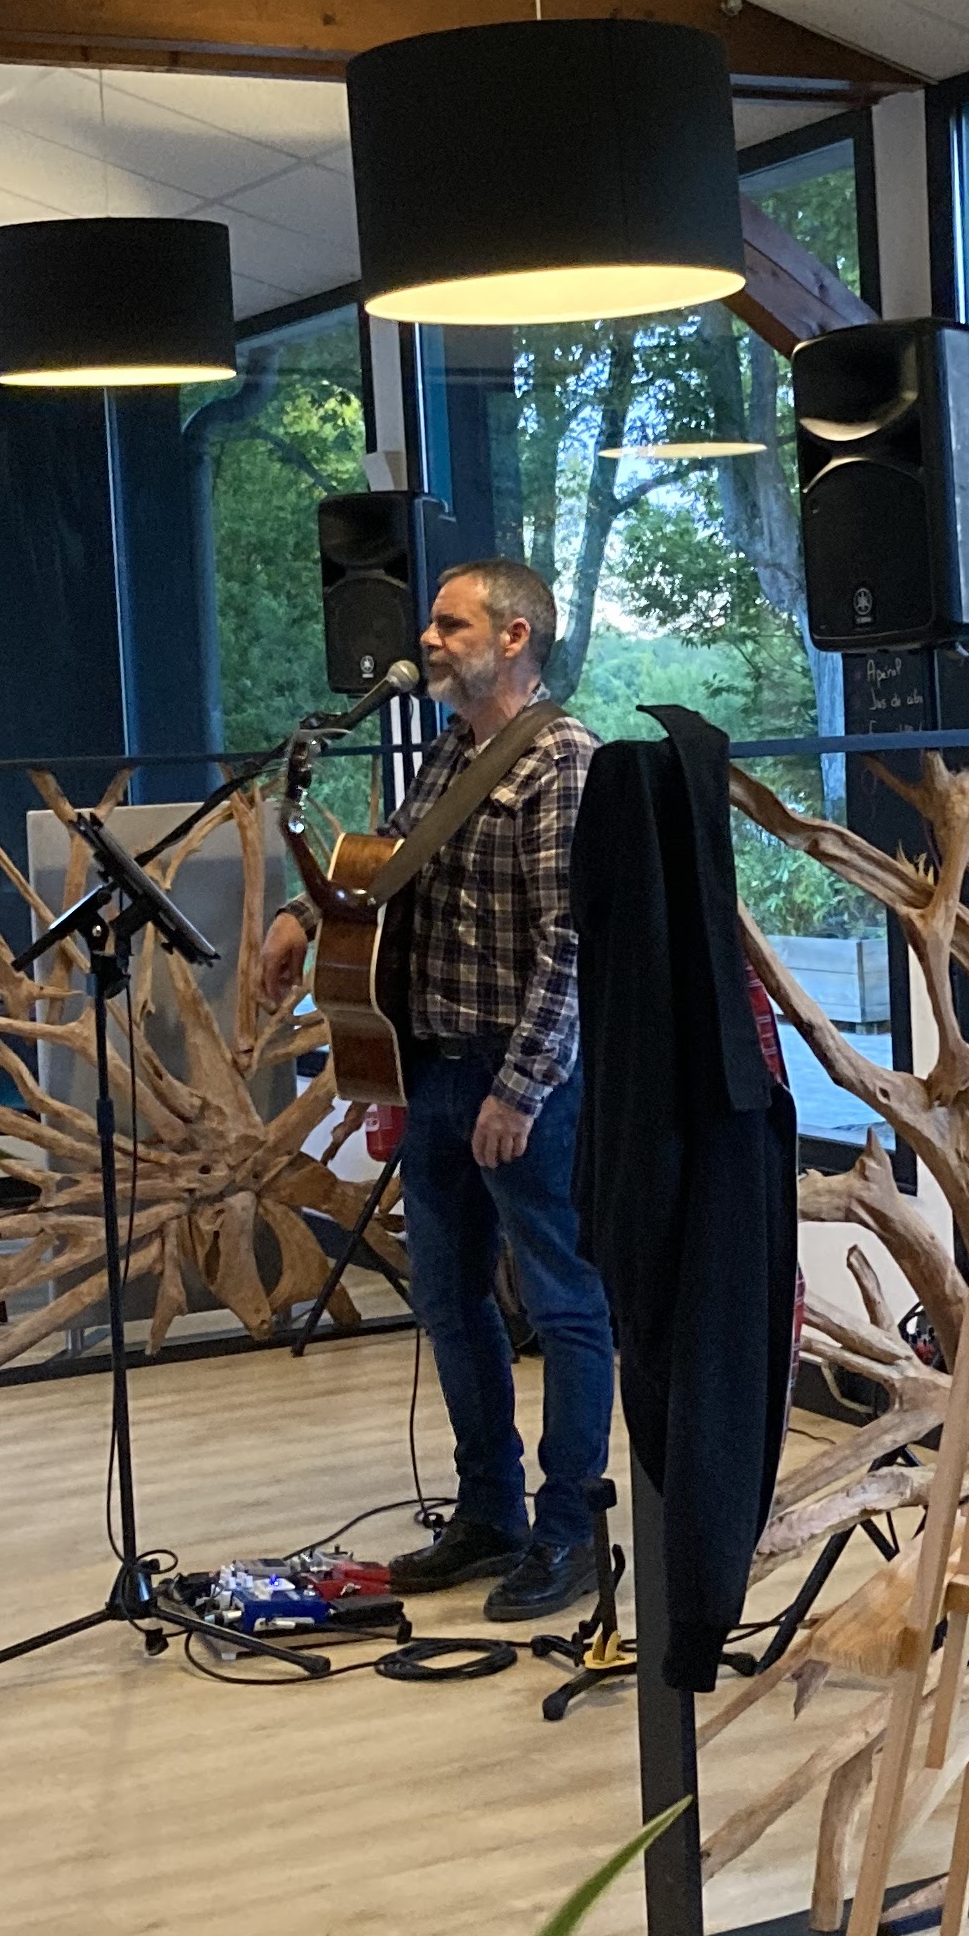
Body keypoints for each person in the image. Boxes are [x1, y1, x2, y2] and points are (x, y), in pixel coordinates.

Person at [261, 557, 614, 1623]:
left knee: (562, 1304)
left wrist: (521, 1089)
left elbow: (572, 942)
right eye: (432, 625)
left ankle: (570, 1530)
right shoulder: (453, 750)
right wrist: (304, 914)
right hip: (438, 1071)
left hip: (524, 1084)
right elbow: (388, 867)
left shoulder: (562, 762)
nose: (427, 640)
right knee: (449, 1301)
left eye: (450, 625)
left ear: (514, 638)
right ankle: (488, 1512)